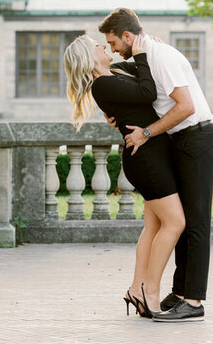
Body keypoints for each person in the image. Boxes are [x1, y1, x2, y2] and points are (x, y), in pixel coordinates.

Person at [99, 7, 213, 323]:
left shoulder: (160, 57)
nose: (111, 49)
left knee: (194, 221)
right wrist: (113, 115)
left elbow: (186, 106)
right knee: (180, 221)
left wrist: (147, 133)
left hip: (196, 137)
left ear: (127, 36)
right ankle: (180, 293)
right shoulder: (145, 56)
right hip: (178, 141)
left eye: (113, 42)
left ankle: (193, 300)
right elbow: (132, 95)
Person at [63, 34, 186, 317]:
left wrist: (150, 47)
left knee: (154, 227)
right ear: (89, 57)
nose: (104, 47)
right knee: (175, 223)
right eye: (97, 45)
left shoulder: (114, 73)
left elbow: (145, 73)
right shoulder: (102, 84)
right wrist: (142, 58)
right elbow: (148, 92)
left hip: (152, 153)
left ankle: (136, 289)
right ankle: (149, 292)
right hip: (145, 159)